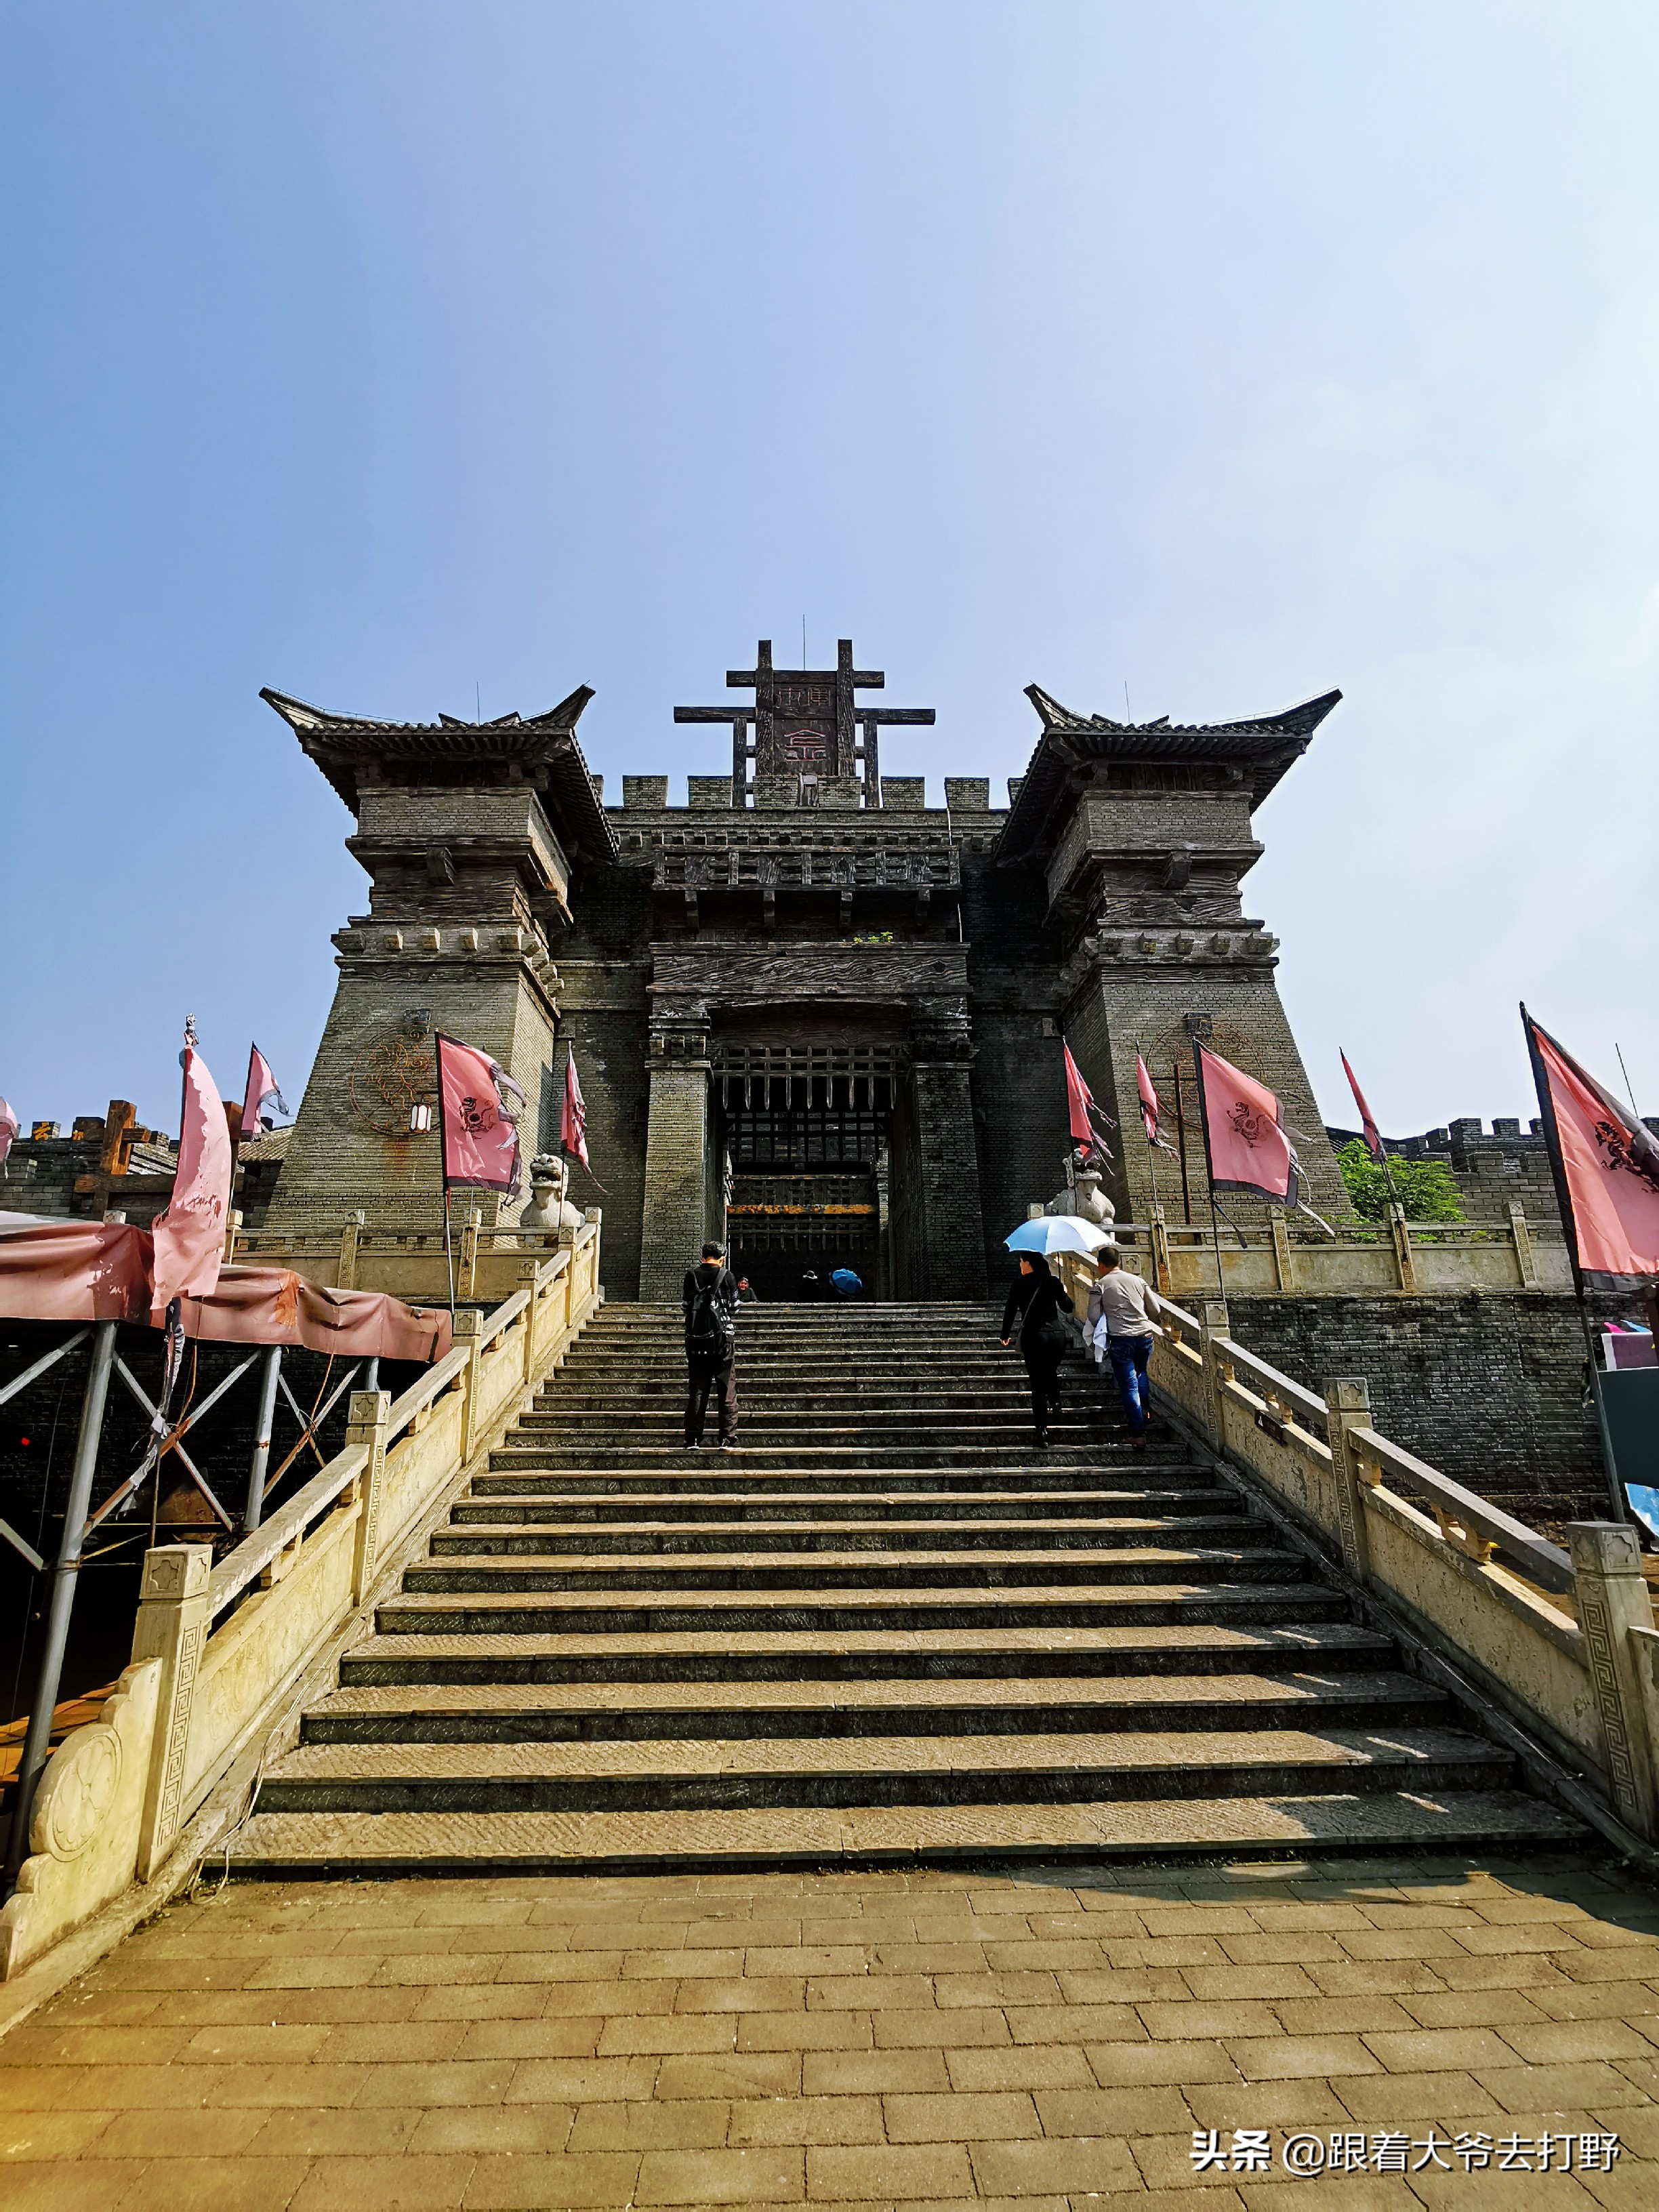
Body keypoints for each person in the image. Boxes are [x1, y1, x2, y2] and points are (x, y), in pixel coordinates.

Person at [1088, 1247, 1162, 1448]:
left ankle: (1138, 1433)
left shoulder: (1101, 1284)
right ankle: (1144, 1411)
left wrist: (1106, 1321)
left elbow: (1093, 1316)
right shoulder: (1138, 1281)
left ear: (1101, 1265)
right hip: (1145, 1335)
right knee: (1141, 1373)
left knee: (1129, 1385)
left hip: (1121, 1339)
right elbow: (1155, 1309)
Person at [998, 1252, 1075, 1447]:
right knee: (1050, 1372)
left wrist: (1005, 1335)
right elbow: (1068, 1308)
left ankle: (1041, 1431)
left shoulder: (1019, 1285)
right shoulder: (1053, 1282)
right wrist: (1063, 1292)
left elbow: (1010, 1310)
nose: (1020, 1265)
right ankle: (1057, 1404)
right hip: (1057, 1337)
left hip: (1035, 1337)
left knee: (1038, 1385)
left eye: (1021, 1261)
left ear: (1029, 1263)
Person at [682, 1240, 740, 1449]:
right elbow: (734, 1308)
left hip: (696, 1340)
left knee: (698, 1389)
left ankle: (694, 1438)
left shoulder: (692, 1275)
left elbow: (686, 1307)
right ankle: (726, 1437)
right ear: (722, 1258)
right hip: (722, 1340)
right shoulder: (728, 1276)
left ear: (703, 1257)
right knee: (726, 1388)